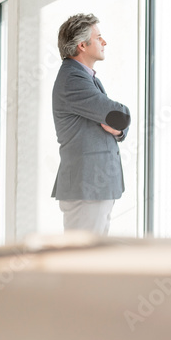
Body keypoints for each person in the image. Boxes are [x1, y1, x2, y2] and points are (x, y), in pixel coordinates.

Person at [50, 13, 130, 235]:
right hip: (87, 188)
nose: (104, 42)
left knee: (91, 260)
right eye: (99, 37)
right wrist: (119, 123)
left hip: (94, 187)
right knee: (80, 262)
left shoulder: (88, 78)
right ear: (82, 45)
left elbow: (117, 123)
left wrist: (119, 129)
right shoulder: (73, 80)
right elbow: (119, 115)